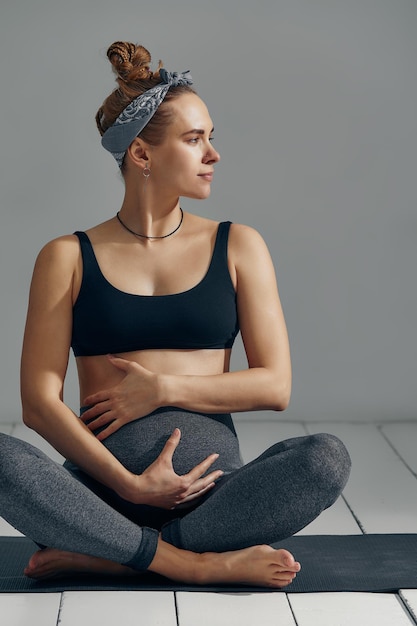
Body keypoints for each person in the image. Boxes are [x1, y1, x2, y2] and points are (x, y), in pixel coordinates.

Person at [0, 41, 351, 588]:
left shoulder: (239, 246)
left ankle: (116, 556)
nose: (214, 154)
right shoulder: (65, 257)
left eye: (211, 137)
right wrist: (130, 485)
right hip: (101, 499)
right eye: (195, 140)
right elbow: (39, 405)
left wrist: (160, 389)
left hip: (214, 500)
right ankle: (186, 562)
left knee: (325, 460)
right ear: (142, 154)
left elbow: (275, 385)